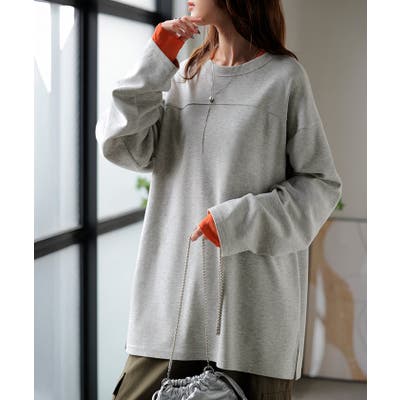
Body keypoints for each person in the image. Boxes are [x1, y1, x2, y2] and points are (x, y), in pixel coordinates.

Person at [95, 1, 343, 399]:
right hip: (170, 308)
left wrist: (236, 221)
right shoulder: (183, 75)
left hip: (252, 320)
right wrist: (156, 58)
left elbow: (320, 184)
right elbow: (120, 144)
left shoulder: (284, 78)